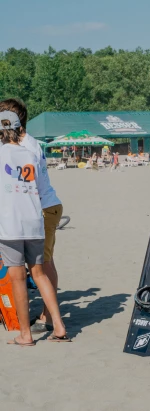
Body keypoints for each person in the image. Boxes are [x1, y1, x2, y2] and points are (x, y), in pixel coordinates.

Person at [0, 109, 69, 345]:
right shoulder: (30, 153)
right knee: (39, 274)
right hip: (34, 221)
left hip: (10, 224)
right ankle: (59, 326)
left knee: (17, 278)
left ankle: (25, 334)